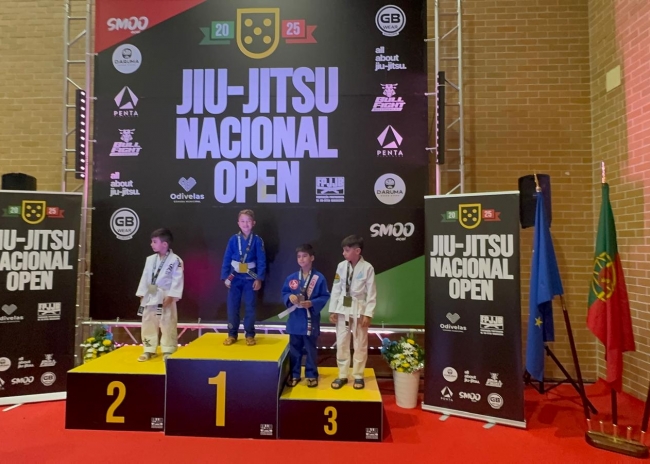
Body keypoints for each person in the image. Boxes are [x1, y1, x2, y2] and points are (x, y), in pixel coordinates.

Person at [328, 235, 377, 389]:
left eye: (347, 250)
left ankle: (358, 375)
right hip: (343, 308)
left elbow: (371, 293)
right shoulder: (341, 266)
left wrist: (368, 313)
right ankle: (342, 374)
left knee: (360, 343)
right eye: (343, 250)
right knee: (342, 342)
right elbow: (336, 288)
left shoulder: (367, 267)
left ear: (357, 251)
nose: (343, 253)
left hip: (359, 309)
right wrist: (333, 310)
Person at [281, 244, 330, 388]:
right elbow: (284, 292)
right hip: (295, 319)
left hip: (310, 319)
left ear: (312, 258)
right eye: (299, 256)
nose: (301, 259)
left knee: (310, 349)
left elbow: (325, 296)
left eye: (304, 256)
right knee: (294, 350)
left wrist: (312, 303)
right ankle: (294, 375)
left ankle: (311, 374)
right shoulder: (291, 278)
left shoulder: (319, 278)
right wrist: (289, 297)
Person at [136, 228, 184, 361]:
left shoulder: (176, 260)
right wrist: (142, 294)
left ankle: (168, 349)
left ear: (164, 244)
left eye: (154, 242)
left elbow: (177, 279)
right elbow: (145, 277)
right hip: (151, 293)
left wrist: (172, 296)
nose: (151, 244)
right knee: (148, 320)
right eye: (152, 241)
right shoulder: (150, 259)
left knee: (167, 321)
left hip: (165, 294)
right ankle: (148, 349)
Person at [221, 209, 266, 346]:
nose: (245, 224)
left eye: (248, 221)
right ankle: (232, 334)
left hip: (250, 278)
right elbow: (227, 258)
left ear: (253, 223)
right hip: (234, 277)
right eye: (243, 221)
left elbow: (261, 260)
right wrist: (225, 277)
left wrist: (259, 278)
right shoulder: (233, 239)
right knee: (232, 307)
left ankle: (250, 334)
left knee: (250, 307)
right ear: (238, 223)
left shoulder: (257, 240)